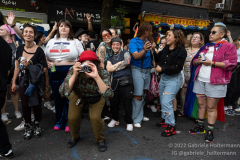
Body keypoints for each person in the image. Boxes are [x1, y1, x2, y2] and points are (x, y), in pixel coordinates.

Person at [188, 23, 237, 143]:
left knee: (210, 107)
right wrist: (198, 61)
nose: (210, 34)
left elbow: (231, 63)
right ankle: (200, 127)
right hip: (200, 80)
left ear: (222, 34)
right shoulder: (206, 46)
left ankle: (210, 131)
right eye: (210, 32)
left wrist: (212, 63)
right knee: (201, 105)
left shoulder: (229, 46)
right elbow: (194, 61)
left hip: (216, 81)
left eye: (213, 32)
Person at [59, 50, 113, 152]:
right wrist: (74, 74)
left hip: (96, 96)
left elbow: (108, 95)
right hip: (78, 95)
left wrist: (96, 76)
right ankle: (74, 137)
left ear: (96, 64)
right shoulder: (74, 70)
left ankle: (100, 139)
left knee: (95, 117)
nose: (87, 69)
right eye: (85, 65)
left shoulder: (102, 72)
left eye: (91, 64)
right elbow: (63, 92)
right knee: (72, 117)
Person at [45, 19, 84, 132]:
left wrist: (77, 66)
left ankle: (68, 122)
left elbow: (82, 57)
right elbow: (45, 54)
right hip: (54, 70)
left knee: (69, 97)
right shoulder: (51, 41)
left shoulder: (75, 41)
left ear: (70, 29)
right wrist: (47, 61)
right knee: (57, 97)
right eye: (61, 26)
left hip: (70, 71)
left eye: (66, 26)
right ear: (58, 28)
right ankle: (59, 121)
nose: (63, 28)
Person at [11, 23, 48, 139]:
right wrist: (13, 82)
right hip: (23, 80)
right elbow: (17, 66)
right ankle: (27, 126)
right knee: (25, 105)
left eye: (31, 32)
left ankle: (37, 125)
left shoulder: (39, 51)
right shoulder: (20, 49)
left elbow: (45, 68)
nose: (28, 34)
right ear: (23, 34)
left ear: (35, 35)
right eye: (26, 31)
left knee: (36, 105)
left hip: (35, 82)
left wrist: (30, 66)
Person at [154, 29, 187, 137]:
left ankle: (171, 126)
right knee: (163, 100)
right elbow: (158, 58)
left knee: (166, 101)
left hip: (174, 79)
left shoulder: (181, 50)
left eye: (169, 35)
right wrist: (152, 49)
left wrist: (161, 69)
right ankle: (165, 120)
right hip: (164, 78)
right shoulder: (166, 48)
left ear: (176, 38)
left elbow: (177, 68)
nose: (167, 37)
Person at [106, 37, 133, 131]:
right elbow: (108, 69)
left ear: (120, 45)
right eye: (113, 44)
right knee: (114, 102)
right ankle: (115, 119)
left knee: (127, 102)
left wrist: (114, 66)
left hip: (126, 80)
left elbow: (127, 61)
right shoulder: (110, 57)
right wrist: (120, 63)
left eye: (117, 44)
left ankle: (129, 122)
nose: (115, 46)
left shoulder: (125, 52)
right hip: (115, 81)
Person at [128, 22, 152, 128]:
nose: (152, 33)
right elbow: (136, 56)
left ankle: (140, 115)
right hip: (137, 69)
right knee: (138, 95)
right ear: (145, 31)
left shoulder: (148, 41)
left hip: (147, 70)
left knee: (143, 93)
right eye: (150, 30)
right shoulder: (134, 41)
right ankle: (135, 118)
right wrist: (145, 50)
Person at [0, 24, 22, 122]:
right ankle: (3, 113)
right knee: (3, 92)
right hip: (3, 72)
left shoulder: (16, 43)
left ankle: (17, 111)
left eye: (1, 29)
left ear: (8, 32)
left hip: (14, 71)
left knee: (14, 90)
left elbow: (19, 58)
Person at [35, 22, 58, 111]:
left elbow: (49, 37)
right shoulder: (35, 47)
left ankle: (47, 102)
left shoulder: (44, 46)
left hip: (46, 70)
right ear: (40, 38)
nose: (46, 38)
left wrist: (53, 29)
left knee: (46, 86)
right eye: (44, 36)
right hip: (38, 71)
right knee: (39, 88)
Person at [179, 32, 204, 113]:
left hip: (195, 74)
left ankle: (193, 112)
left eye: (197, 37)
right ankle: (183, 109)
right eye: (193, 37)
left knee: (194, 93)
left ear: (200, 40)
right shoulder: (185, 49)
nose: (194, 38)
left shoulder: (202, 51)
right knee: (183, 92)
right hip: (184, 74)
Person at [0, 34, 14, 158]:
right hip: (1, 87)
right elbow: (8, 71)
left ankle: (5, 149)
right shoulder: (6, 47)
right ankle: (5, 149)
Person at [96, 28, 113, 121]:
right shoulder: (102, 47)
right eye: (104, 36)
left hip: (111, 70)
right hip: (102, 71)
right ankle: (103, 114)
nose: (106, 37)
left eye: (108, 34)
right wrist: (106, 76)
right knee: (103, 91)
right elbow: (101, 64)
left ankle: (108, 110)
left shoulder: (113, 44)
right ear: (102, 38)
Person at [224, 40, 240, 115]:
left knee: (238, 88)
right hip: (235, 65)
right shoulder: (237, 42)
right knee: (232, 86)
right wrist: (230, 37)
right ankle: (226, 105)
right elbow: (229, 50)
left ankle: (232, 104)